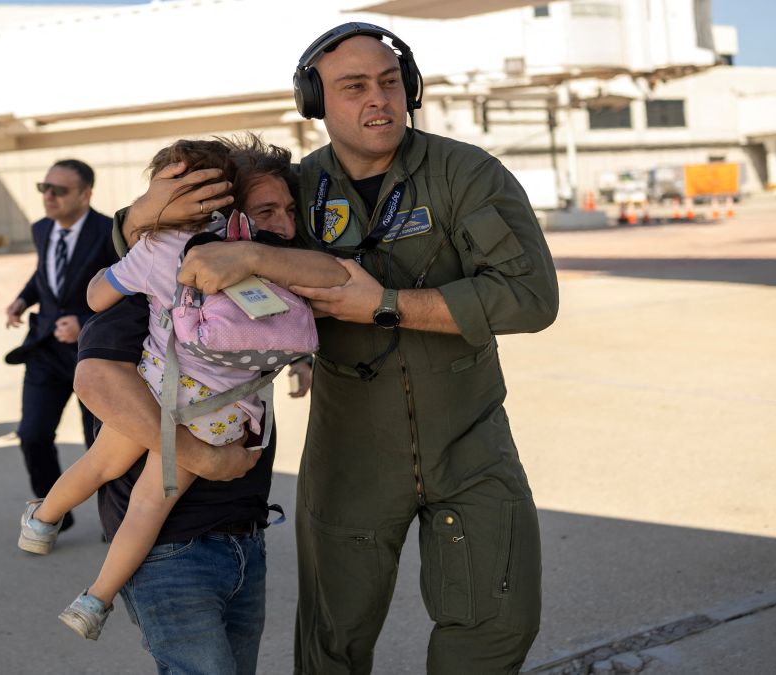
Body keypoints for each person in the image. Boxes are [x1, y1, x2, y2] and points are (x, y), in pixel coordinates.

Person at [164, 23, 561, 674]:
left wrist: (386, 304)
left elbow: (530, 296)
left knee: (494, 625)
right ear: (315, 101)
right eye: (354, 87)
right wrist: (136, 225)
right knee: (331, 641)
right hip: (349, 451)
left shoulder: (465, 175)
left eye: (389, 81)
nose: (379, 99)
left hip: (469, 440)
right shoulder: (290, 191)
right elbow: (163, 245)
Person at [68, 135, 300, 673]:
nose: (284, 225)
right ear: (227, 217)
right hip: (171, 549)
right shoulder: (161, 291)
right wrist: (205, 457)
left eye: (289, 211)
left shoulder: (256, 280)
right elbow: (97, 382)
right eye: (267, 211)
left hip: (245, 533)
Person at [5, 160, 119, 533]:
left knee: (100, 443)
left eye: (59, 190)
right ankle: (55, 511)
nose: (48, 196)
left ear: (86, 194)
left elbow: (131, 290)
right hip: (44, 349)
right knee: (32, 435)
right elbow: (46, 275)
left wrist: (84, 324)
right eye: (44, 187)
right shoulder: (41, 229)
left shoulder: (109, 232)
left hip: (94, 354)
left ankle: (114, 519)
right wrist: (23, 300)